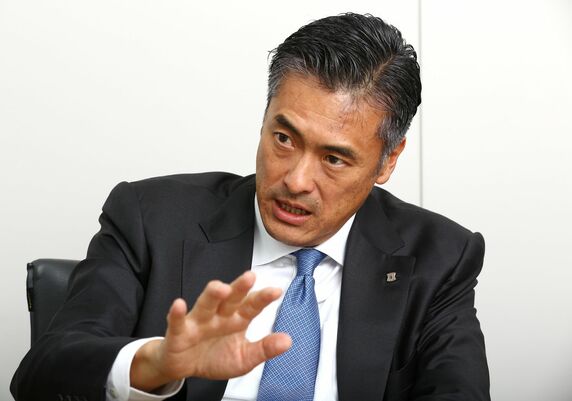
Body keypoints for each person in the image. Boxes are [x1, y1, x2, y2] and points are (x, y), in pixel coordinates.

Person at [11, 12, 490, 401]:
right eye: (284, 138)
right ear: (264, 120)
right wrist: (155, 364)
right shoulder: (149, 218)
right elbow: (41, 376)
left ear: (389, 160)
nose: (296, 180)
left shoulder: (441, 257)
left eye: (334, 159)